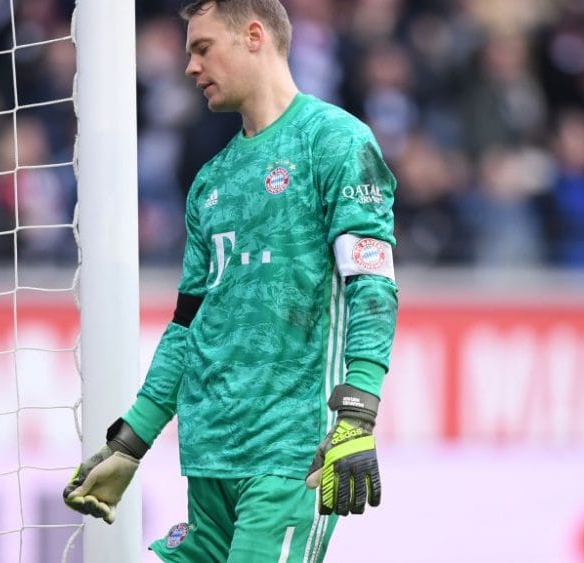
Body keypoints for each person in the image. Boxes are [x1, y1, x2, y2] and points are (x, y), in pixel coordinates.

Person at [64, 1, 399, 560]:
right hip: (208, 466)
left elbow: (372, 285)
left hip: (289, 458)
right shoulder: (209, 182)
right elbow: (188, 326)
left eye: (202, 48)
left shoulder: (335, 142)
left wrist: (358, 412)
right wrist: (132, 440)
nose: (191, 68)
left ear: (253, 36)